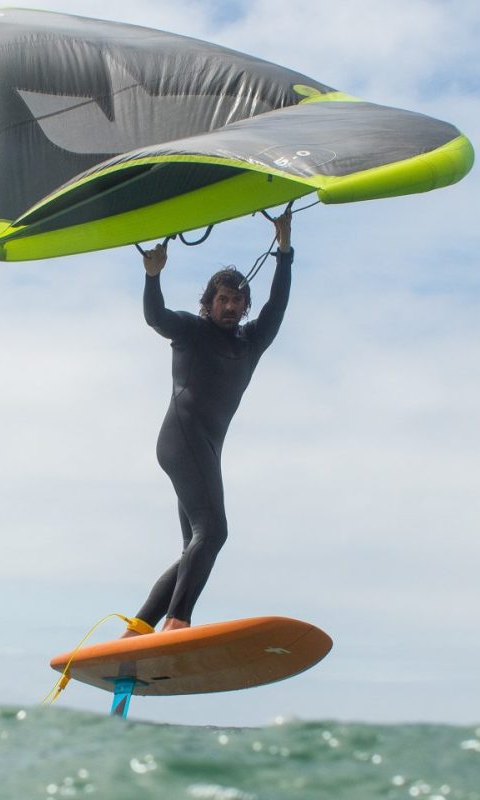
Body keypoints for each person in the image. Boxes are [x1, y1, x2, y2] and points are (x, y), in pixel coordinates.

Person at [124, 210, 293, 637]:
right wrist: (152, 276)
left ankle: (140, 627)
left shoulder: (252, 342)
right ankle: (177, 621)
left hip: (207, 447)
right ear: (209, 302)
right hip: (181, 438)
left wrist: (284, 251)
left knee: (195, 545)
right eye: (223, 299)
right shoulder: (191, 331)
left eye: (238, 301)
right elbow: (155, 317)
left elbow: (278, 306)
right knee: (213, 532)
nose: (231, 307)